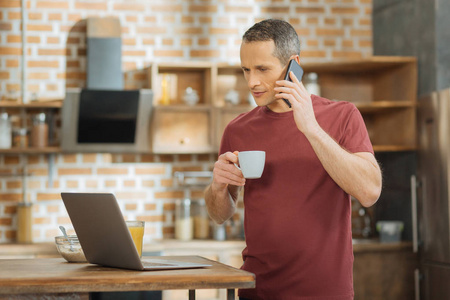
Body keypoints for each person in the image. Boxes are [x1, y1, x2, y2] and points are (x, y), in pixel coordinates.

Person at [204, 19, 382, 300]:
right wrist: (216, 187)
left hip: (324, 293)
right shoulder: (237, 129)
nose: (252, 82)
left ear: (293, 65)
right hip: (256, 291)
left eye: (262, 69)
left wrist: (311, 128)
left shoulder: (342, 116)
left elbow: (370, 192)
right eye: (246, 70)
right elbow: (219, 214)